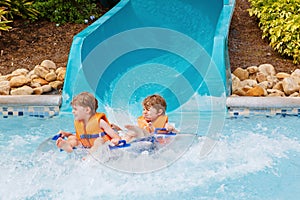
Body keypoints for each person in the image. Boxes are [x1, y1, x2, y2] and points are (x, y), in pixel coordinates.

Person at [56, 92, 121, 153]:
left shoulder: (100, 122)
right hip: (86, 145)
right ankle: (68, 145)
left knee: (99, 141)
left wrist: (116, 139)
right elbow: (80, 137)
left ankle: (91, 155)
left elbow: (115, 136)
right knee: (73, 138)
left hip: (102, 146)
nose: (73, 111)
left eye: (75, 109)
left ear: (87, 110)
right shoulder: (80, 123)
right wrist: (67, 134)